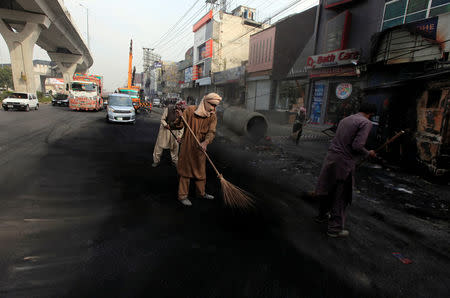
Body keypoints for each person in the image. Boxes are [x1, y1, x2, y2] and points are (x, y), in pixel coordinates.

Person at [314, 102, 377, 238]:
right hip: (343, 163)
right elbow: (357, 146)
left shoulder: (346, 119)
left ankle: (321, 216)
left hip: (331, 158)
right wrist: (368, 153)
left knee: (327, 189)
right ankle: (334, 229)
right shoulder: (366, 123)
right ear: (371, 114)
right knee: (340, 195)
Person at [173, 93, 222, 206]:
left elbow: (211, 132)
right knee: (185, 172)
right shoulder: (190, 111)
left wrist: (205, 142)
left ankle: (201, 193)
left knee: (200, 171)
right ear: (205, 102)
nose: (213, 109)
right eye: (212, 105)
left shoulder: (212, 116)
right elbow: (179, 126)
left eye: (215, 106)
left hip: (200, 147)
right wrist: (180, 117)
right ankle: (182, 196)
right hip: (187, 146)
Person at [152, 100, 187, 168]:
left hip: (175, 131)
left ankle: (175, 162)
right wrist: (165, 124)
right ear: (177, 107)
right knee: (159, 145)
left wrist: (180, 136)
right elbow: (162, 119)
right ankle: (156, 161)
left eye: (183, 109)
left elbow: (182, 127)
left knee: (175, 147)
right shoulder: (169, 109)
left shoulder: (183, 113)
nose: (181, 110)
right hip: (165, 130)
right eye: (181, 108)